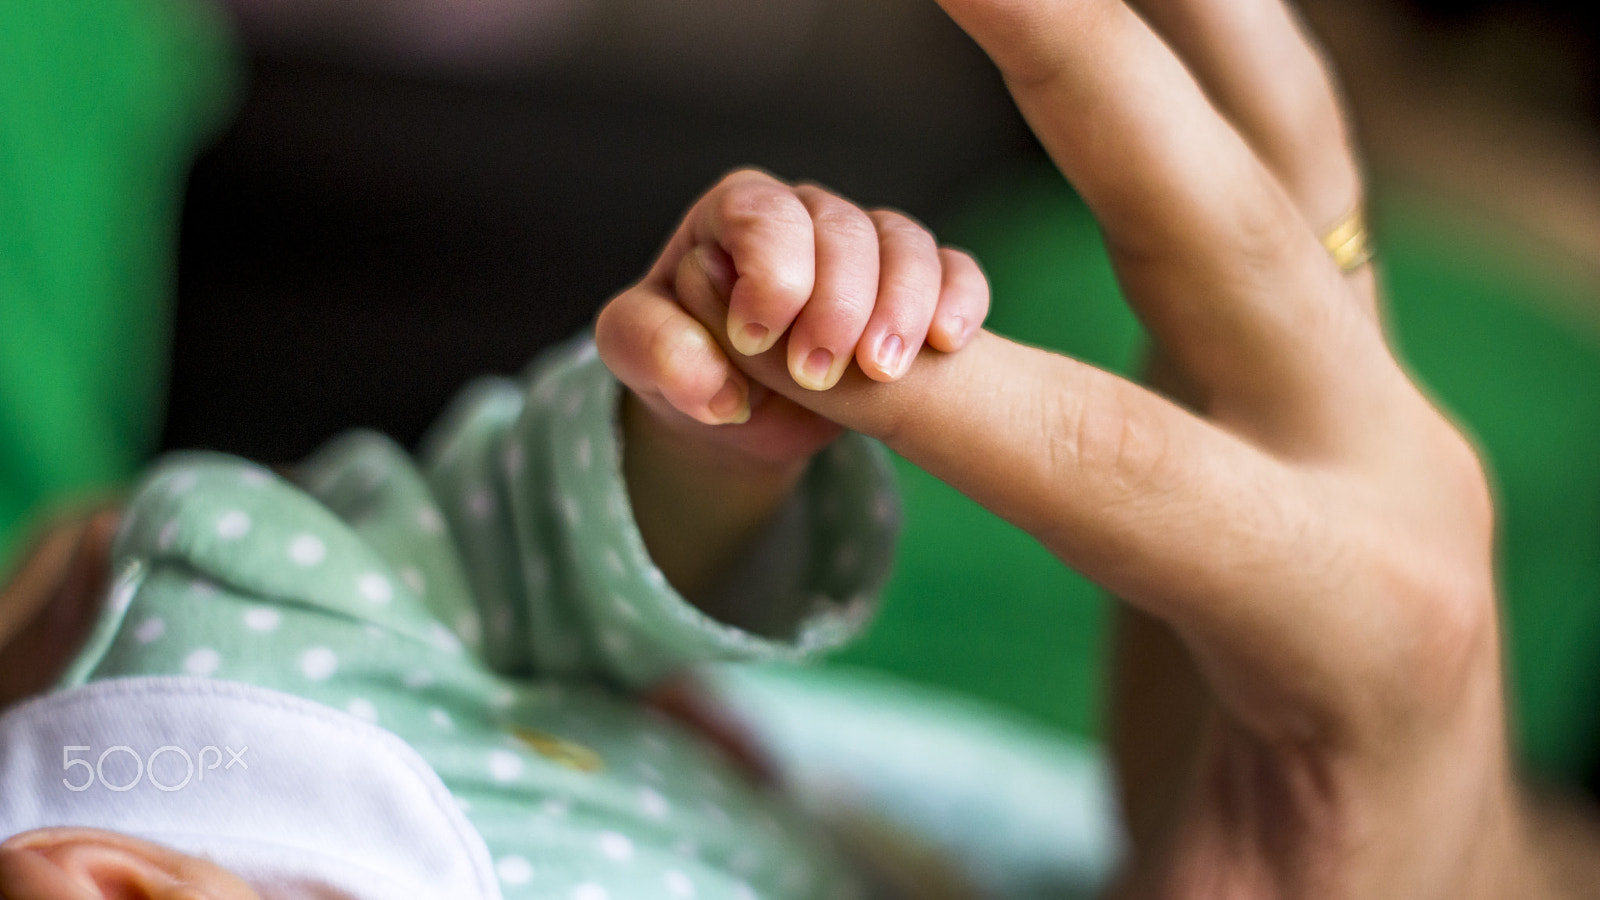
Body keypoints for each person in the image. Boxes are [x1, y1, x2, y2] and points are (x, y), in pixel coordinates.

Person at [4, 3, 1599, 900]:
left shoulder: (233, 650)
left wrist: (708, 445)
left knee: (1352, 339)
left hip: (874, 687)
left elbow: (509, 564)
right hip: (1091, 794)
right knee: (1493, 356)